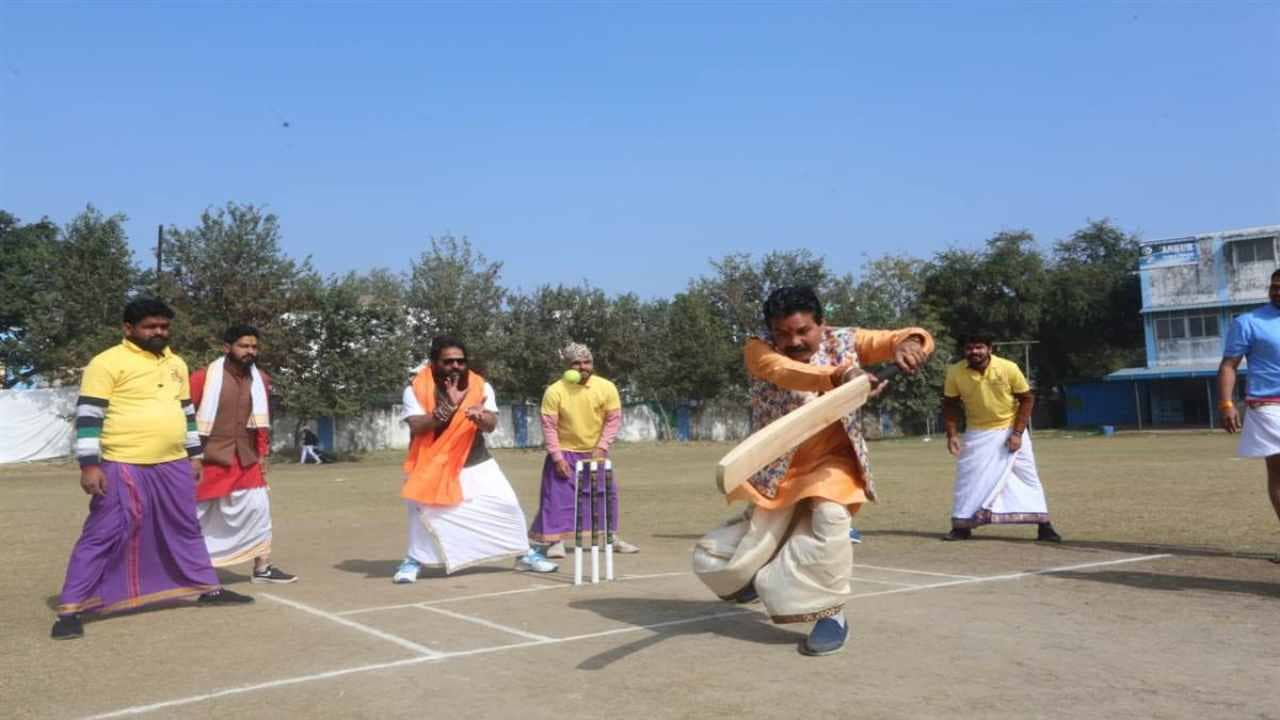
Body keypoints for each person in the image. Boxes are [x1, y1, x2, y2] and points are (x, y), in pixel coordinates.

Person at [693, 286, 933, 656]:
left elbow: (904, 338)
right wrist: (843, 375)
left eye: (803, 331)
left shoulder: (845, 340)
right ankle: (750, 580)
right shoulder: (759, 350)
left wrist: (911, 344)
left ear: (822, 323)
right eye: (783, 333)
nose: (794, 341)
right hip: (778, 468)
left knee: (830, 518)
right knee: (734, 554)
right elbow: (787, 372)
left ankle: (830, 615)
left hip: (834, 462)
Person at [52, 299, 252, 640]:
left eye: (164, 326)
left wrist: (195, 456)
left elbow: (186, 412)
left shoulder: (176, 363)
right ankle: (70, 610)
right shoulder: (106, 362)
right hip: (123, 462)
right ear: (128, 328)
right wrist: (89, 465)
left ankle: (207, 587)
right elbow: (88, 417)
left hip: (173, 462)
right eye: (150, 326)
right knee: (103, 532)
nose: (159, 332)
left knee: (185, 526)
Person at [393, 336, 557, 583]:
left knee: (507, 504)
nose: (456, 366)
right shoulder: (415, 388)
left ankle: (523, 553)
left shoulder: (481, 386)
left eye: (460, 361)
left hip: (475, 459)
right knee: (423, 515)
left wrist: (481, 418)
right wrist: (447, 407)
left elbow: (491, 424)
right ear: (434, 362)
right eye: (448, 361)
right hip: (432, 463)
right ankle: (414, 560)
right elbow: (417, 426)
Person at [191, 325, 296, 584]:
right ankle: (188, 568)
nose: (250, 351)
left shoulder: (261, 380)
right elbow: (185, 418)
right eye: (244, 346)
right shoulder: (202, 378)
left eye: (254, 347)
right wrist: (190, 455)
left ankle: (262, 567)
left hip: (246, 458)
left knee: (258, 510)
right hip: (207, 459)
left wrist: (262, 454)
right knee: (195, 515)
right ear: (227, 348)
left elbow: (262, 422)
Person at [941, 332, 1061, 543]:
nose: (974, 352)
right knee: (968, 481)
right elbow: (950, 404)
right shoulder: (955, 372)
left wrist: (1017, 433)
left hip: (1010, 430)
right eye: (969, 348)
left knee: (1027, 477)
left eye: (979, 347)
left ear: (989, 348)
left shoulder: (1008, 367)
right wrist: (952, 434)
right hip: (977, 433)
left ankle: (1045, 527)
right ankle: (961, 527)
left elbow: (1027, 399)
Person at [528, 342, 638, 558]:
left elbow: (613, 420)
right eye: (576, 363)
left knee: (604, 495)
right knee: (557, 499)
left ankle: (610, 538)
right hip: (564, 452)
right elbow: (549, 427)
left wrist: (602, 446)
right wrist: (557, 457)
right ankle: (556, 542)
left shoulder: (606, 387)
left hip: (595, 452)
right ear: (567, 366)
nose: (582, 367)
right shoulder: (555, 390)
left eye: (587, 362)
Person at [1218, 268, 1280, 564]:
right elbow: (1229, 365)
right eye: (1274, 286)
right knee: (1278, 472)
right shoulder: (1248, 322)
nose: (1277, 291)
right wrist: (1226, 404)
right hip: (1268, 406)